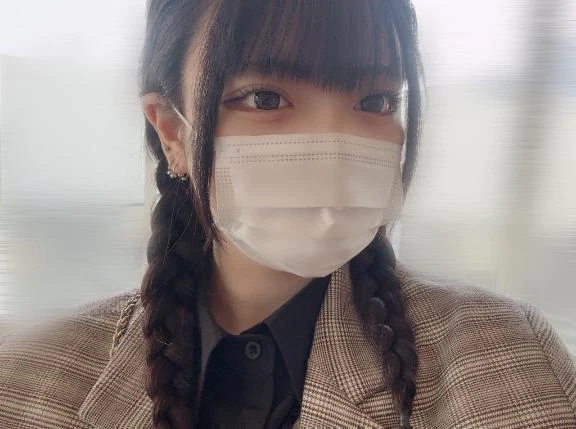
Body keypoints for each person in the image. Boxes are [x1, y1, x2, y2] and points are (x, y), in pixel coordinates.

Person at [1, 0, 575, 428]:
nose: (335, 147)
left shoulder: (505, 358)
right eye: (264, 98)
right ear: (172, 131)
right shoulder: (32, 377)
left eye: (375, 101)